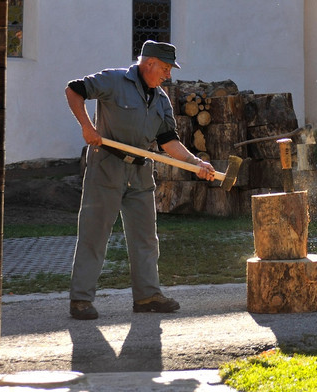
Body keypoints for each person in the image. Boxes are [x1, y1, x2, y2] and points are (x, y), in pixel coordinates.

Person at [64, 40, 216, 320]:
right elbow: (74, 90)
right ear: (149, 64)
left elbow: (168, 141)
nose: (168, 74)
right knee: (94, 235)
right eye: (166, 68)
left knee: (146, 238)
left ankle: (147, 297)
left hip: (141, 171)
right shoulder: (113, 80)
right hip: (106, 167)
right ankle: (81, 300)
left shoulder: (161, 100)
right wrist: (87, 127)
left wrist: (195, 163)